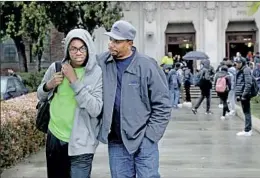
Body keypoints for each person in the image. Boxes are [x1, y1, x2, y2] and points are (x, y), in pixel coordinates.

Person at [97, 20, 171, 178]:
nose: (111, 45)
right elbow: (79, 61)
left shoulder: (147, 65)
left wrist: (150, 136)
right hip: (116, 141)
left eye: (117, 41)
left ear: (129, 43)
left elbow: (163, 105)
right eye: (111, 40)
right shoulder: (102, 62)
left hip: (143, 140)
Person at [37, 29, 103, 178]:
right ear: (67, 49)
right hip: (55, 137)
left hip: (82, 144)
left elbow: (96, 109)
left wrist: (74, 81)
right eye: (73, 48)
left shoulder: (96, 73)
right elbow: (40, 94)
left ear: (88, 49)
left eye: (82, 48)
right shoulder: (56, 68)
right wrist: (49, 84)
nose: (78, 52)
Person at [234, 57, 253, 136]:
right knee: (246, 112)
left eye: (238, 63)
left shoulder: (246, 70)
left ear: (242, 63)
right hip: (242, 94)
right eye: (236, 63)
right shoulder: (240, 70)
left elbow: (248, 84)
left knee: (247, 112)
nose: (237, 64)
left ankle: (247, 130)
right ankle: (247, 129)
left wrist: (244, 95)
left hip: (245, 95)